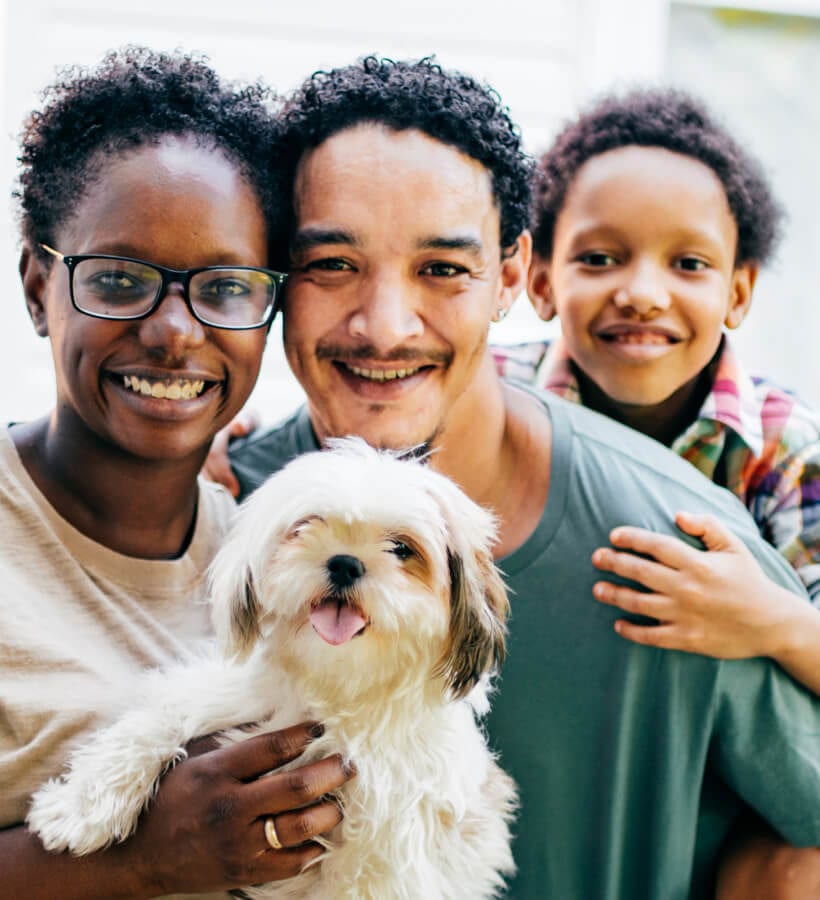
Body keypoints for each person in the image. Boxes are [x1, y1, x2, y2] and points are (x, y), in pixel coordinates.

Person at [221, 57, 820, 899]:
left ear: (510, 274)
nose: (386, 326)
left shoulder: (688, 556)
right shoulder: (207, 510)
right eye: (333, 264)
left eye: (442, 269)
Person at [0, 48, 350, 899]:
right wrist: (139, 860)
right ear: (38, 286)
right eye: (119, 280)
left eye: (225, 288)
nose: (173, 332)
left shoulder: (270, 567)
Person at [492, 89, 820, 698]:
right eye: (599, 258)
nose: (643, 293)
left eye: (689, 263)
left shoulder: (786, 450)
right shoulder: (488, 398)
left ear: (738, 293)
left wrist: (773, 621)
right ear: (540, 282)